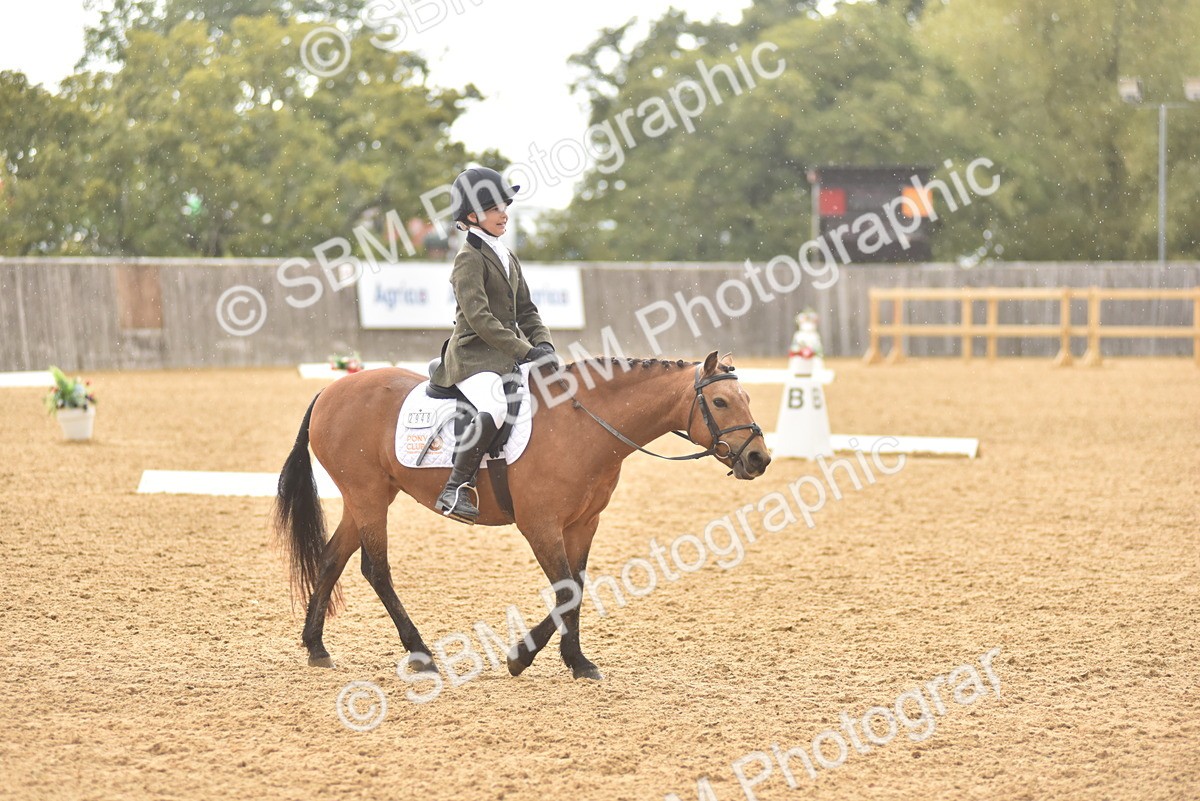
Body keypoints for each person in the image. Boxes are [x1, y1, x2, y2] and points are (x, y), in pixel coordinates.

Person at [431, 167, 555, 523]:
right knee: (498, 406)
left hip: (507, 356)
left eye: (505, 206)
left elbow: (527, 311)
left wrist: (544, 346)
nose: (505, 214)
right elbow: (481, 320)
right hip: (473, 358)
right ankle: (455, 487)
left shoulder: (505, 254)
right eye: (495, 208)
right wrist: (525, 352)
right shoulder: (467, 260)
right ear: (472, 216)